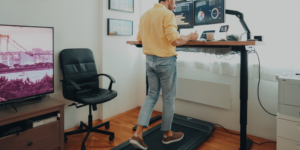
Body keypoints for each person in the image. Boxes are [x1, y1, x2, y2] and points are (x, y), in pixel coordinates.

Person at [129, 0, 199, 149]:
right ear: (168, 0)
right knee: (168, 98)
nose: (176, 4)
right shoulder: (168, 14)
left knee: (151, 95)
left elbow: (140, 39)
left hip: (149, 61)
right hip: (165, 61)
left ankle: (138, 134)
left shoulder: (145, 15)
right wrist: (190, 37)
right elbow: (174, 40)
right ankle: (167, 134)